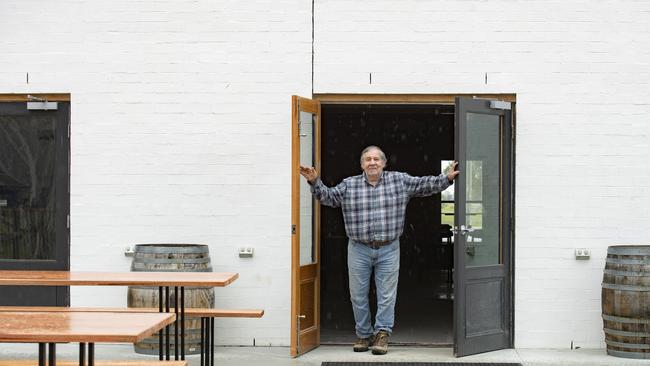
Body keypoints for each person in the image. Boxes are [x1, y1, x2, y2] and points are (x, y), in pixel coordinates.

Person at [299, 145, 459, 355]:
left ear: (384, 163)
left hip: (389, 248)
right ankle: (364, 335)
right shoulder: (349, 185)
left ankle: (382, 334)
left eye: (376, 159)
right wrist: (314, 181)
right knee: (357, 295)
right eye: (368, 159)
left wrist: (446, 178)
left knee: (386, 295)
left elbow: (424, 184)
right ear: (362, 164)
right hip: (358, 248)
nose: (372, 162)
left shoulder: (399, 181)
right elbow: (328, 197)